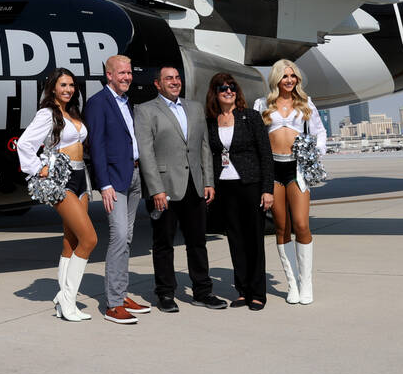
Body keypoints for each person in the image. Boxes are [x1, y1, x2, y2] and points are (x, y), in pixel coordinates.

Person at [134, 66, 227, 312]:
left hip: (194, 186)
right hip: (164, 189)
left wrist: (208, 181)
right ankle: (165, 293)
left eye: (177, 78)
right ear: (157, 84)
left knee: (197, 242)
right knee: (163, 244)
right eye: (169, 79)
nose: (175, 82)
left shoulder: (194, 108)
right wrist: (156, 190)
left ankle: (203, 291)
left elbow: (204, 147)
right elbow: (146, 153)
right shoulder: (145, 111)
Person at [17, 68, 98, 321]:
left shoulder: (71, 112)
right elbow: (24, 143)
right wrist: (38, 168)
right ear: (53, 87)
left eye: (71, 85)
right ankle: (68, 299)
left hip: (80, 177)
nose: (68, 89)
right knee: (90, 239)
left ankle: (64, 296)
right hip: (61, 180)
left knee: (71, 240)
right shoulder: (47, 114)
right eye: (63, 85)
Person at [84, 55, 152, 325]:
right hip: (115, 180)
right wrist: (105, 184)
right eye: (121, 73)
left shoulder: (127, 102)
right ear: (108, 75)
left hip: (134, 174)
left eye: (129, 73)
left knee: (128, 237)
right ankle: (113, 303)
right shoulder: (98, 103)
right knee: (119, 235)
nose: (127, 77)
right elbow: (96, 146)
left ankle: (122, 295)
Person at [253, 59, 326, 305]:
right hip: (272, 169)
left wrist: (316, 153)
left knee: (301, 224)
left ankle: (307, 283)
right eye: (285, 76)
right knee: (282, 227)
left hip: (296, 169)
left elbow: (320, 132)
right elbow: (256, 137)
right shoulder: (262, 104)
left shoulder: (305, 103)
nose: (289, 80)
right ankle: (292, 284)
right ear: (276, 79)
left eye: (293, 76)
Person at [205, 72, 274, 310]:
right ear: (215, 92)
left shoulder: (250, 117)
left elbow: (265, 155)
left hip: (250, 184)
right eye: (223, 88)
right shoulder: (211, 121)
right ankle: (242, 290)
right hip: (225, 186)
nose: (228, 91)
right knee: (235, 240)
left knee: (254, 239)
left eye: (232, 87)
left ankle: (258, 293)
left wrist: (267, 189)